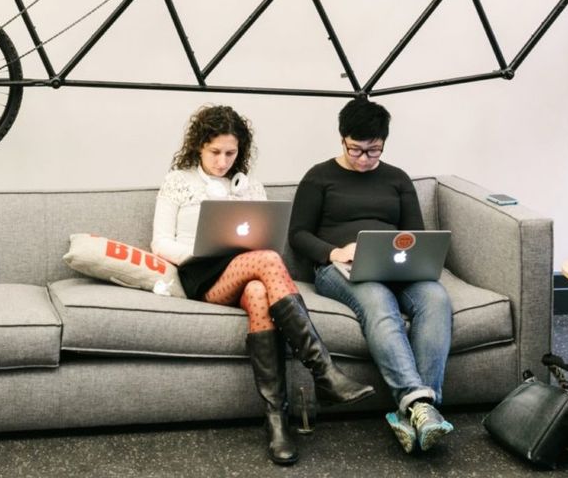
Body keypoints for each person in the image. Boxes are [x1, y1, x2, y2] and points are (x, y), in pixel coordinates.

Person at [152, 104, 374, 466]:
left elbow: (266, 238)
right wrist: (202, 249)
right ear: (198, 147)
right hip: (201, 274)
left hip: (248, 273)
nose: (223, 161)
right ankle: (325, 372)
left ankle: (277, 423)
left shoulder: (250, 185)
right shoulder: (178, 180)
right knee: (270, 261)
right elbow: (159, 243)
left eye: (231, 153)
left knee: (259, 289)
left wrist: (238, 203)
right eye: (215, 153)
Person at [288, 98, 454, 454]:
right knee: (376, 299)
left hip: (398, 268)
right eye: (356, 150)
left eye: (373, 151)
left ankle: (418, 414)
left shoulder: (396, 179)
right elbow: (298, 234)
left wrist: (409, 257)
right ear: (342, 139)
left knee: (436, 297)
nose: (364, 159)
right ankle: (417, 403)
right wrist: (334, 252)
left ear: (384, 142)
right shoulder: (319, 176)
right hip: (338, 269)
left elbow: (416, 234)